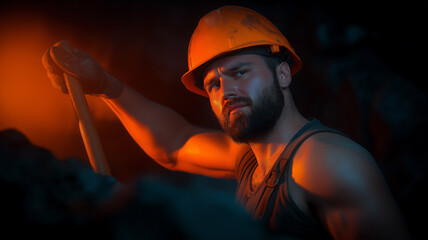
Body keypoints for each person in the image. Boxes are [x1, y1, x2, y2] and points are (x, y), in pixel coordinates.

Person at [42, 5, 409, 240]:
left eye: (239, 71)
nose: (225, 90)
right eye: (213, 84)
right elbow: (173, 146)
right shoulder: (250, 160)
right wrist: (105, 85)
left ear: (283, 74)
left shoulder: (325, 163)